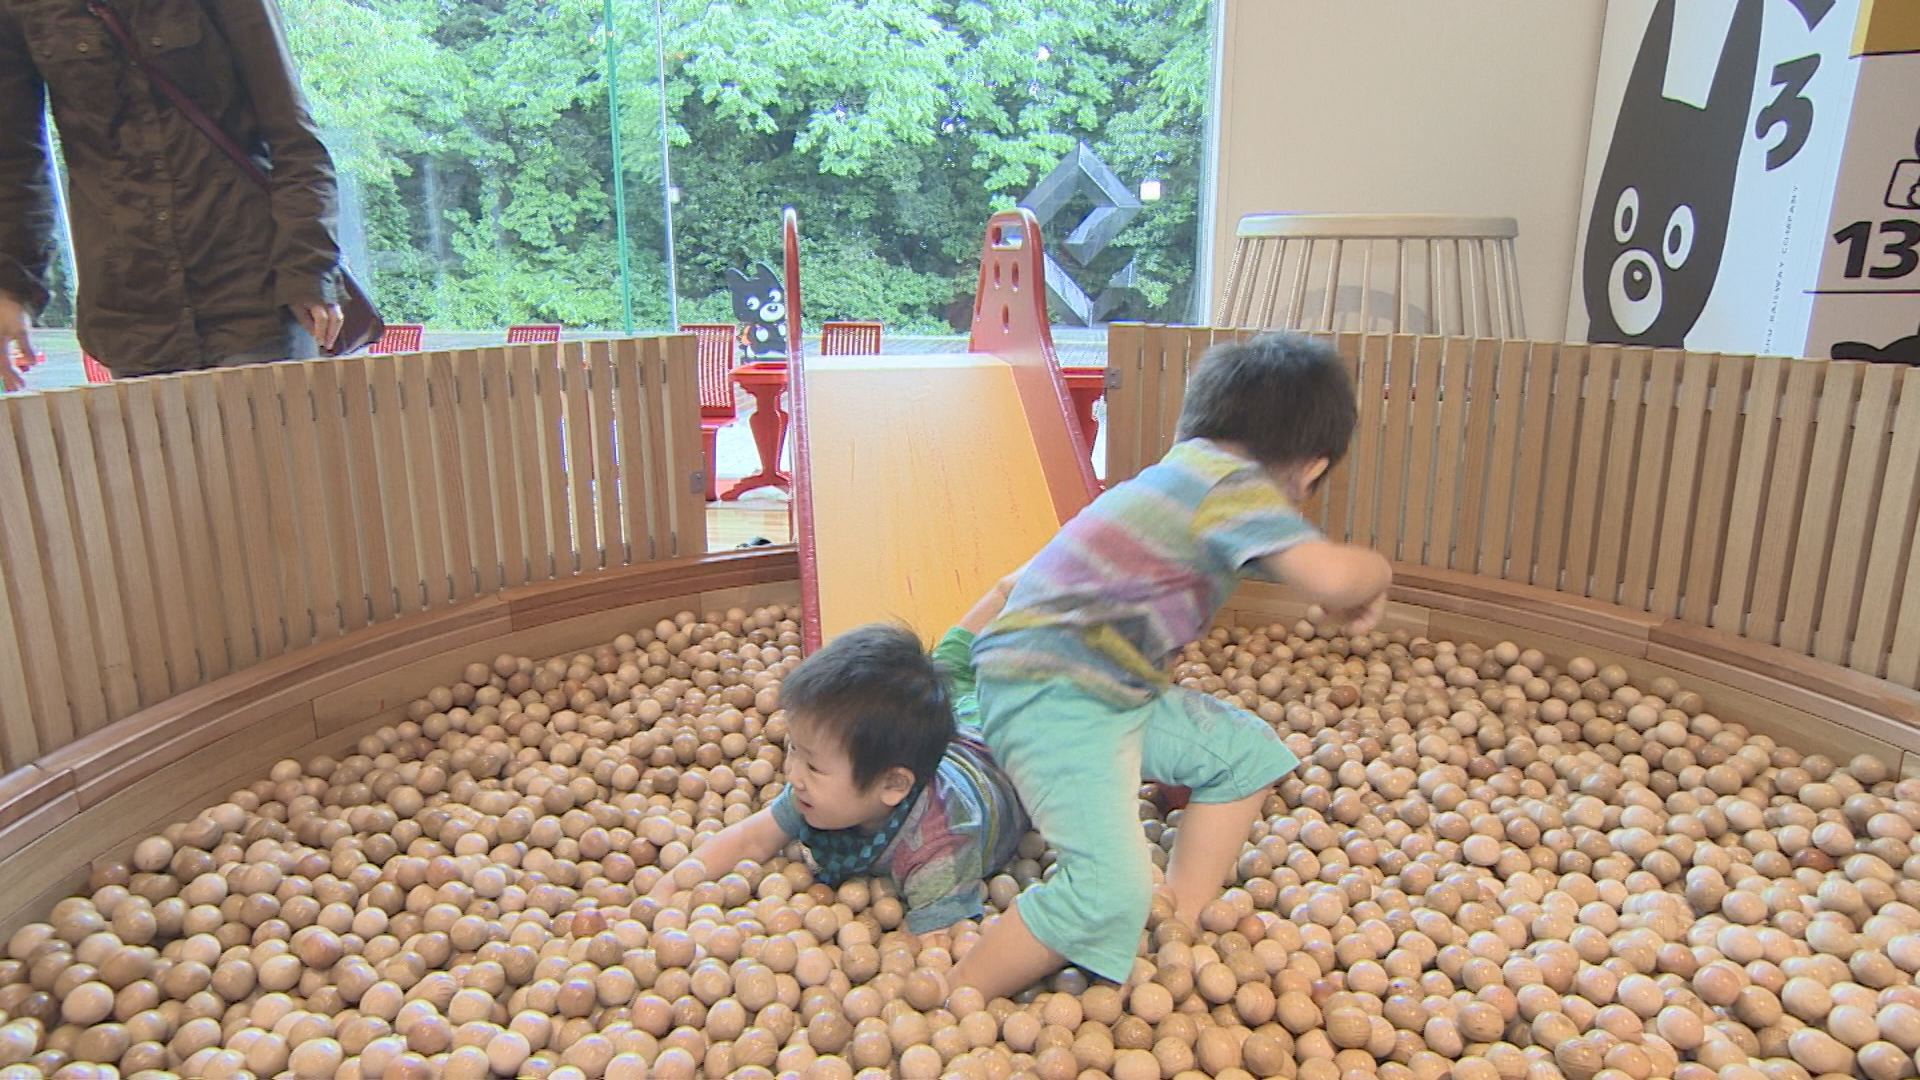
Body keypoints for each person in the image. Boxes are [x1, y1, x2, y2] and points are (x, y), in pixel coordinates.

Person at [950, 331, 1392, 1000]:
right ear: (1309, 471)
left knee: (1245, 756)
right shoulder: (1234, 488)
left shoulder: (1182, 474)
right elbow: (1333, 577)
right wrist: (1374, 574)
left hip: (1095, 691)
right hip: (1055, 697)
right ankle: (961, 996)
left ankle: (1176, 917)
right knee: (1107, 891)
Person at [649, 578, 1030, 938]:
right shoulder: (819, 789)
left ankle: (1020, 594)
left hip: (1004, 748)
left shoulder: (937, 848)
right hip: (951, 736)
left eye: (812, 765)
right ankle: (1004, 591)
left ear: (892, 785)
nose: (794, 775)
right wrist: (665, 892)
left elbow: (943, 945)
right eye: (794, 749)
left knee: (1010, 699)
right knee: (949, 667)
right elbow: (750, 840)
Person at [0, 0, 345, 390]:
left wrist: (309, 268)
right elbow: (14, 163)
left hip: (251, 295)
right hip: (132, 308)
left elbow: (294, 136)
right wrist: (12, 286)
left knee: (268, 430)